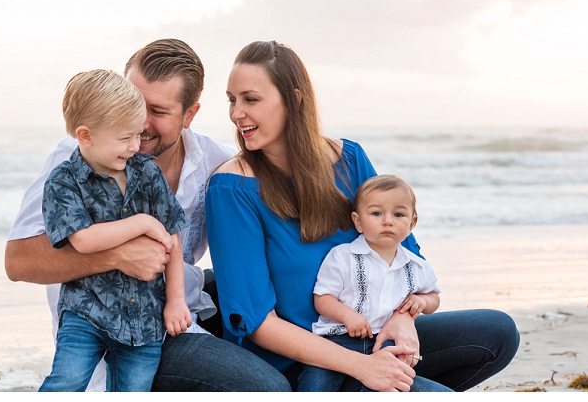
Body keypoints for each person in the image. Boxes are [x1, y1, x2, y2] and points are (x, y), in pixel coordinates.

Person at [205, 40, 520, 392]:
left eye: (250, 99)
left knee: (498, 333)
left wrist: (403, 319)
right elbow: (258, 324)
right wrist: (365, 367)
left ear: (294, 100)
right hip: (303, 363)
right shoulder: (232, 187)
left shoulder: (349, 159)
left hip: (372, 335)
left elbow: (405, 253)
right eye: (232, 100)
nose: (236, 113)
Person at [6, 39, 290, 391]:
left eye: (157, 110)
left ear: (190, 115)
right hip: (115, 328)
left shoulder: (216, 162)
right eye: (133, 101)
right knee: (265, 387)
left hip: (180, 304)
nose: (140, 123)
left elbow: (278, 222)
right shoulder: (74, 159)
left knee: (283, 294)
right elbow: (17, 261)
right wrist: (117, 256)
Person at [38, 69, 192, 391]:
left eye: (137, 134)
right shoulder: (62, 182)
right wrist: (143, 222)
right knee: (64, 384)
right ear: (85, 136)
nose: (136, 145)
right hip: (86, 313)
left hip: (144, 321)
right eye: (125, 138)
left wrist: (176, 300)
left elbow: (173, 237)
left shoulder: (147, 172)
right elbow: (83, 240)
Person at [298, 174, 445, 392]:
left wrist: (421, 302)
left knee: (389, 384)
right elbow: (323, 298)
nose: (388, 221)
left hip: (387, 341)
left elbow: (434, 297)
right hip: (337, 340)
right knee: (316, 386)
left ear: (412, 222)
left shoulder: (416, 265)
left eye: (399, 214)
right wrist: (347, 315)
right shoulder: (342, 256)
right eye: (376, 213)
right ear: (358, 221)